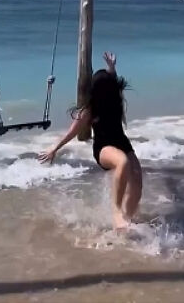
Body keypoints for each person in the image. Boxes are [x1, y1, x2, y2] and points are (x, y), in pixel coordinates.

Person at [39, 51, 143, 230]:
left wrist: (112, 67)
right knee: (123, 162)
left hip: (122, 143)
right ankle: (117, 212)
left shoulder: (115, 99)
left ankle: (127, 219)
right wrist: (55, 148)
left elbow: (113, 81)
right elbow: (72, 132)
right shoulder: (90, 109)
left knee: (137, 179)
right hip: (104, 148)